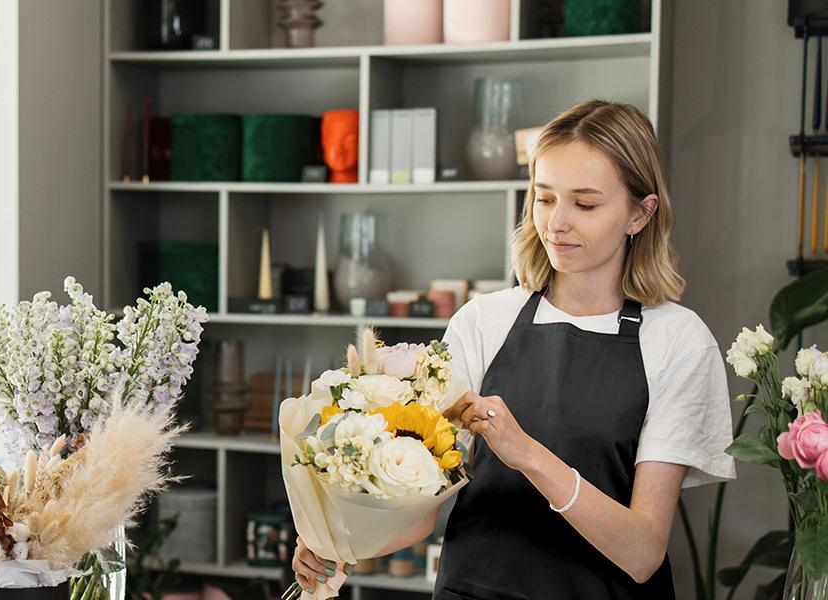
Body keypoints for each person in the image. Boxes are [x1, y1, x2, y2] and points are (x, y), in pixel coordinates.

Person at [292, 100, 735, 598]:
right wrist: (337, 542)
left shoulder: (678, 341)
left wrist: (527, 455)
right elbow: (421, 511)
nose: (557, 222)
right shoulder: (484, 321)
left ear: (640, 213)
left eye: (585, 204)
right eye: (544, 198)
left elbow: (642, 553)